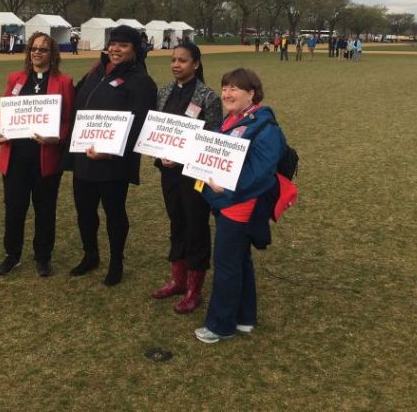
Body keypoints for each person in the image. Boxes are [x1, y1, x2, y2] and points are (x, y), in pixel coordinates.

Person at [194, 68, 297, 344]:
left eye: (234, 89)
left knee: (227, 264)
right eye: (225, 87)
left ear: (251, 93)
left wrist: (227, 187)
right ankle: (244, 317)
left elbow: (261, 174)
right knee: (240, 261)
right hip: (225, 201)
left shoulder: (265, 126)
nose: (227, 93)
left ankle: (220, 325)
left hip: (239, 205)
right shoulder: (232, 119)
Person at [68, 25, 157, 286]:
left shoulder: (141, 81)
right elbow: (76, 99)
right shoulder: (96, 70)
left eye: (123, 45)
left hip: (113, 162)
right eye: (113, 43)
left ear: (135, 50)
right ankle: (90, 255)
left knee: (114, 213)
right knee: (84, 211)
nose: (116, 49)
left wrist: (112, 152)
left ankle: (116, 261)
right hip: (85, 155)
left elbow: (141, 123)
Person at [0, 33, 75, 277]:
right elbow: (5, 110)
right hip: (15, 155)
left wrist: (57, 137)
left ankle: (43, 256)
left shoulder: (64, 82)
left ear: (53, 54)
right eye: (34, 48)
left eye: (43, 49)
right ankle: (12, 254)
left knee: (45, 209)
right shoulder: (15, 79)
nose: (37, 53)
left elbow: (68, 119)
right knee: (14, 208)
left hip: (45, 157)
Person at [152, 42, 222, 313]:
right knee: (176, 223)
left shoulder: (208, 96)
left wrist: (183, 157)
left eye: (182, 60)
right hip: (168, 173)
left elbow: (212, 138)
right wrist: (161, 155)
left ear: (195, 63)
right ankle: (177, 280)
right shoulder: (165, 92)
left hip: (194, 175)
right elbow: (157, 128)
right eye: (173, 59)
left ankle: (194, 288)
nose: (176, 64)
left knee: (196, 226)